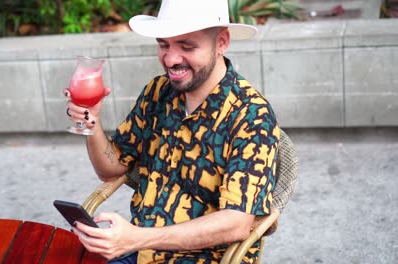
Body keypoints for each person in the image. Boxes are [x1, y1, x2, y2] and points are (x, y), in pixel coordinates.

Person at [66, 0, 280, 263]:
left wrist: (137, 237)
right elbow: (110, 169)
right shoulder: (158, 92)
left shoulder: (251, 115)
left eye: (187, 46)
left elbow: (236, 222)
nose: (170, 59)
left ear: (222, 42)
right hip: (137, 251)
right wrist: (92, 122)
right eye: (163, 44)